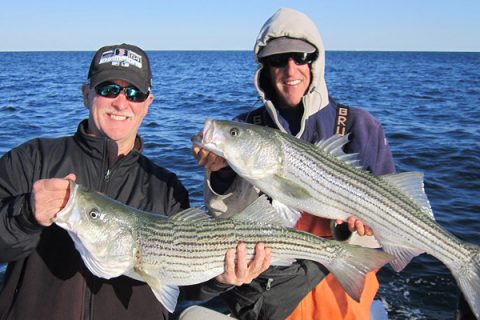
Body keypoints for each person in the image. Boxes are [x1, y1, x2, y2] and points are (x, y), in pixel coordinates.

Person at [0, 43, 270, 320]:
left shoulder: (167, 187)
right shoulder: (32, 159)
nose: (121, 102)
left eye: (134, 93)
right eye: (108, 89)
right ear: (85, 93)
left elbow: (184, 285)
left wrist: (222, 279)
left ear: (147, 104)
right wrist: (25, 214)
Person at [193, 8, 396, 320]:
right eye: (278, 59)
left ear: (316, 61)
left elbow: (391, 226)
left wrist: (364, 230)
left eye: (301, 57)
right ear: (264, 67)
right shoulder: (246, 127)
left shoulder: (360, 125)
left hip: (342, 303)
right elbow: (228, 225)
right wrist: (219, 175)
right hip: (271, 303)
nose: (291, 70)